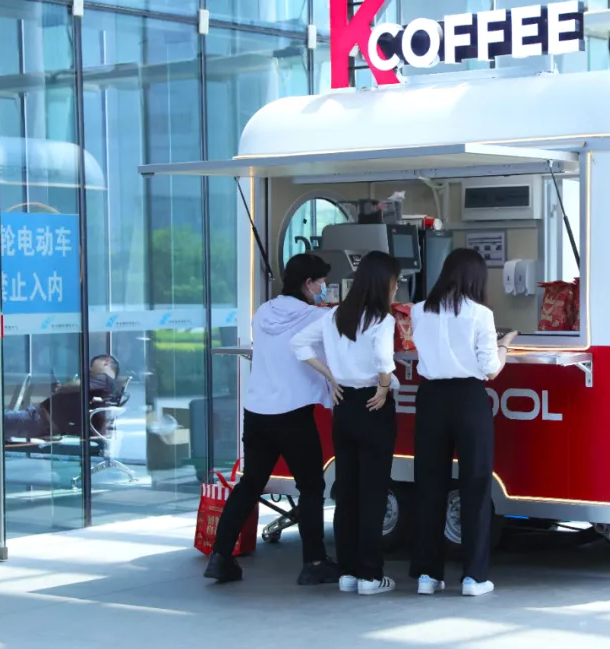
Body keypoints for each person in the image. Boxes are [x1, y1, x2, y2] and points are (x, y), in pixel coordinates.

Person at [205, 253, 340, 585]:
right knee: (311, 487)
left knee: (251, 484)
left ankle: (220, 556)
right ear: (308, 283)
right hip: (293, 414)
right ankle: (314, 561)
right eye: (322, 282)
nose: (324, 287)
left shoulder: (263, 312)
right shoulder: (317, 317)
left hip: (257, 412)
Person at [291, 250, 401, 596]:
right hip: (373, 406)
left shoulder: (335, 315)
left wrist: (331, 376)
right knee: (373, 493)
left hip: (344, 407)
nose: (397, 289)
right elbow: (384, 359)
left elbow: (299, 344)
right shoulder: (382, 319)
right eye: (395, 282)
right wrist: (384, 386)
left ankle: (348, 572)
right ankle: (370, 576)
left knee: (348, 493)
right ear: (383, 284)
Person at [408, 248, 516, 597]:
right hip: (469, 399)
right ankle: (473, 577)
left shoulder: (419, 310)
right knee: (475, 485)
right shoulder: (481, 314)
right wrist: (504, 346)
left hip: (430, 398)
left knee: (429, 485)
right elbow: (490, 369)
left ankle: (427, 575)